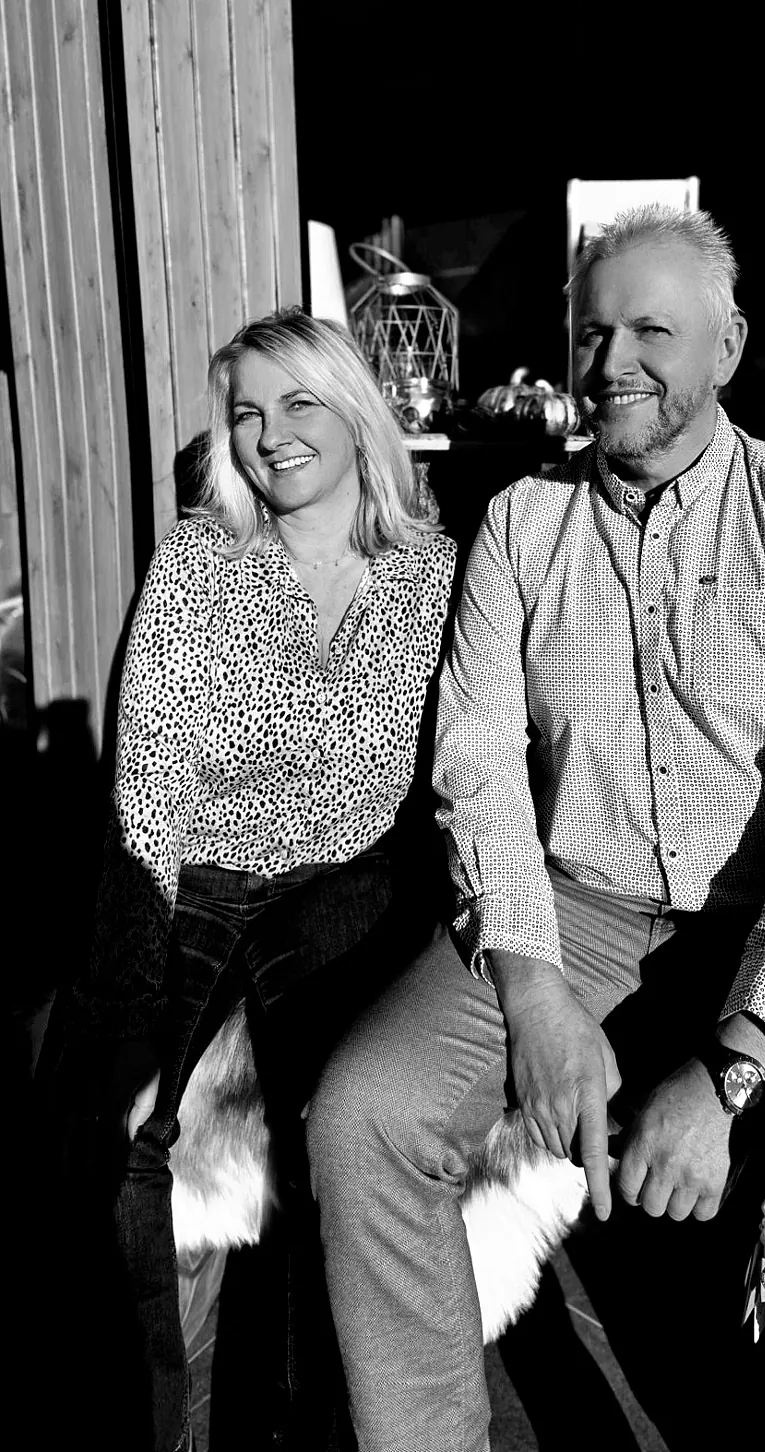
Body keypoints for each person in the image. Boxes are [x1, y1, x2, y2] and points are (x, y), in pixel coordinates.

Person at [305, 207, 765, 1452]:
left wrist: (726, 1076)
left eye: (649, 332)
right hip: (574, 908)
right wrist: (530, 990)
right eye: (591, 332)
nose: (611, 360)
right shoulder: (521, 525)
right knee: (365, 1117)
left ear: (727, 347)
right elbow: (478, 767)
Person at [38, 307, 456, 1452]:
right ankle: (157, 1426)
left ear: (356, 414)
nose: (270, 434)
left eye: (298, 403)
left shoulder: (435, 576)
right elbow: (149, 787)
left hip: (349, 884)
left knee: (332, 1144)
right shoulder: (199, 560)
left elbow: (458, 777)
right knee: (127, 1138)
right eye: (245, 413)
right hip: (199, 878)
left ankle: (298, 1429)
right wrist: (131, 998)